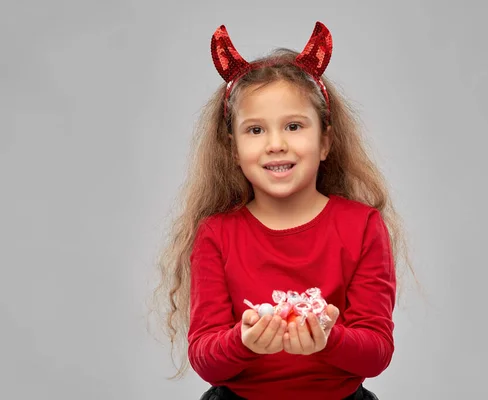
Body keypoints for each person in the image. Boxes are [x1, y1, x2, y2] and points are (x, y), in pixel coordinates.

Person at [152, 21, 414, 400]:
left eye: (293, 126)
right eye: (255, 130)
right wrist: (244, 341)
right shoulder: (216, 234)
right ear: (233, 149)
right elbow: (205, 359)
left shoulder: (362, 226)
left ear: (325, 141)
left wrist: (329, 337)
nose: (276, 144)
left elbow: (375, 354)